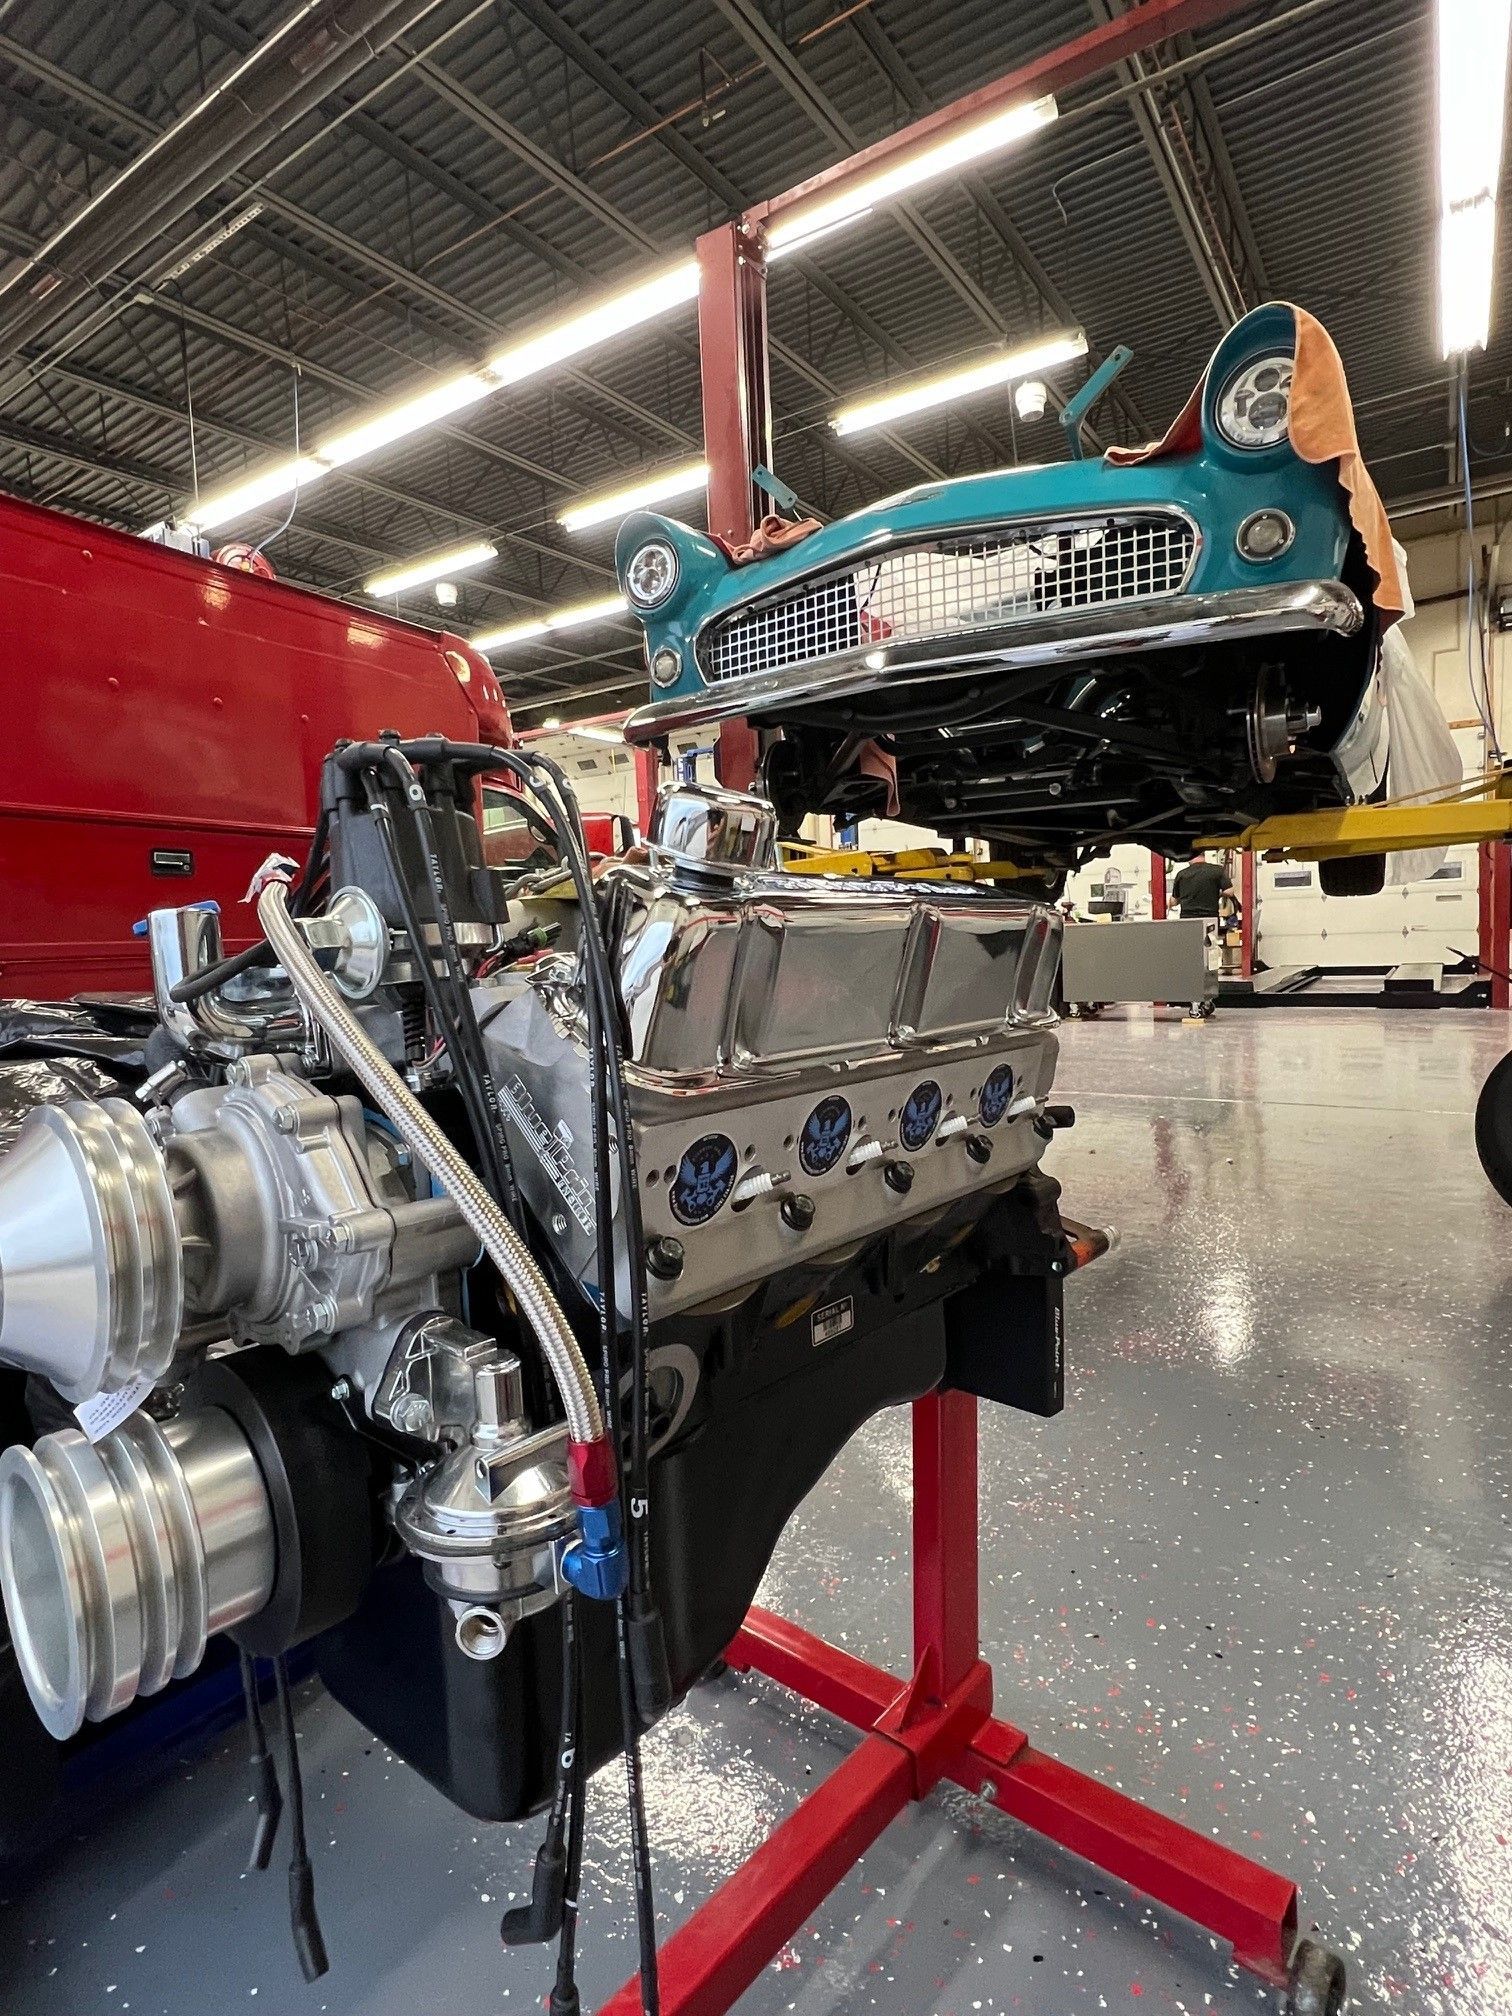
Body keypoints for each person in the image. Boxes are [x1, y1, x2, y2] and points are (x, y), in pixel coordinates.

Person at [1171, 849, 1231, 919]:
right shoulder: (1217, 870)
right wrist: (1215, 893)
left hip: (1187, 917)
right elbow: (1229, 892)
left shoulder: (1181, 874)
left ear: (1189, 857)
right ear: (1204, 856)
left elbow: (1174, 902)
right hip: (1210, 916)